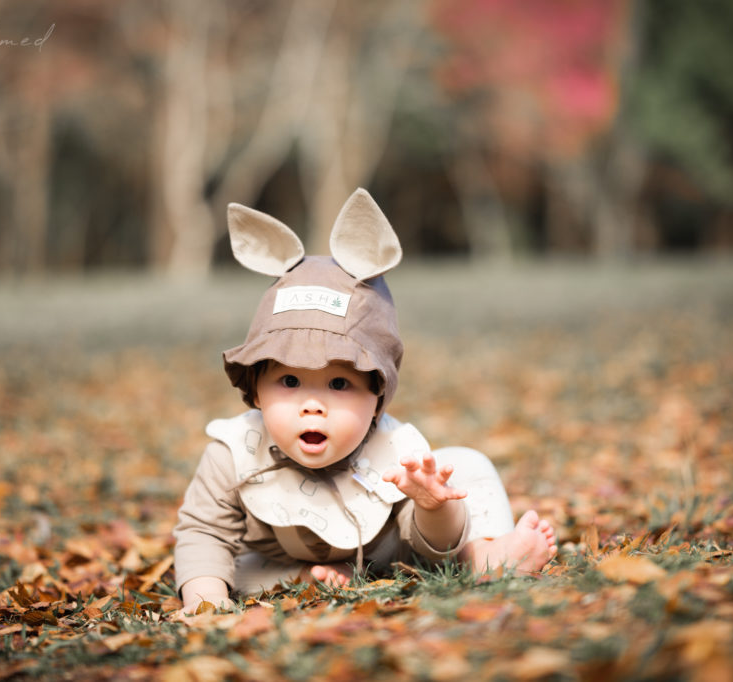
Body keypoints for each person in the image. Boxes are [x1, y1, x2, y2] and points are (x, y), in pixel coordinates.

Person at [174, 189, 556, 611]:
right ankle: (299, 579)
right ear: (255, 390)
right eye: (289, 380)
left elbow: (429, 545)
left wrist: (431, 506)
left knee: (467, 467)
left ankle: (485, 555)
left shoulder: (396, 455)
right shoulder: (233, 455)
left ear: (377, 395)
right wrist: (205, 599)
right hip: (277, 558)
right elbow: (204, 531)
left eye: (339, 384)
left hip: (386, 552)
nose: (312, 405)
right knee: (227, 568)